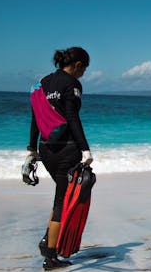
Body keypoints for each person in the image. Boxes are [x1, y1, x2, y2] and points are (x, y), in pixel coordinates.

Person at [26, 47, 93, 270]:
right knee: (61, 200)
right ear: (77, 65)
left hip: (46, 149)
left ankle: (48, 240)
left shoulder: (42, 83)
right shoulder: (72, 84)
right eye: (84, 69)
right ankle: (50, 256)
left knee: (62, 194)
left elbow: (36, 118)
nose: (83, 73)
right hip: (67, 148)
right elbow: (72, 118)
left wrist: (32, 149)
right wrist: (85, 149)